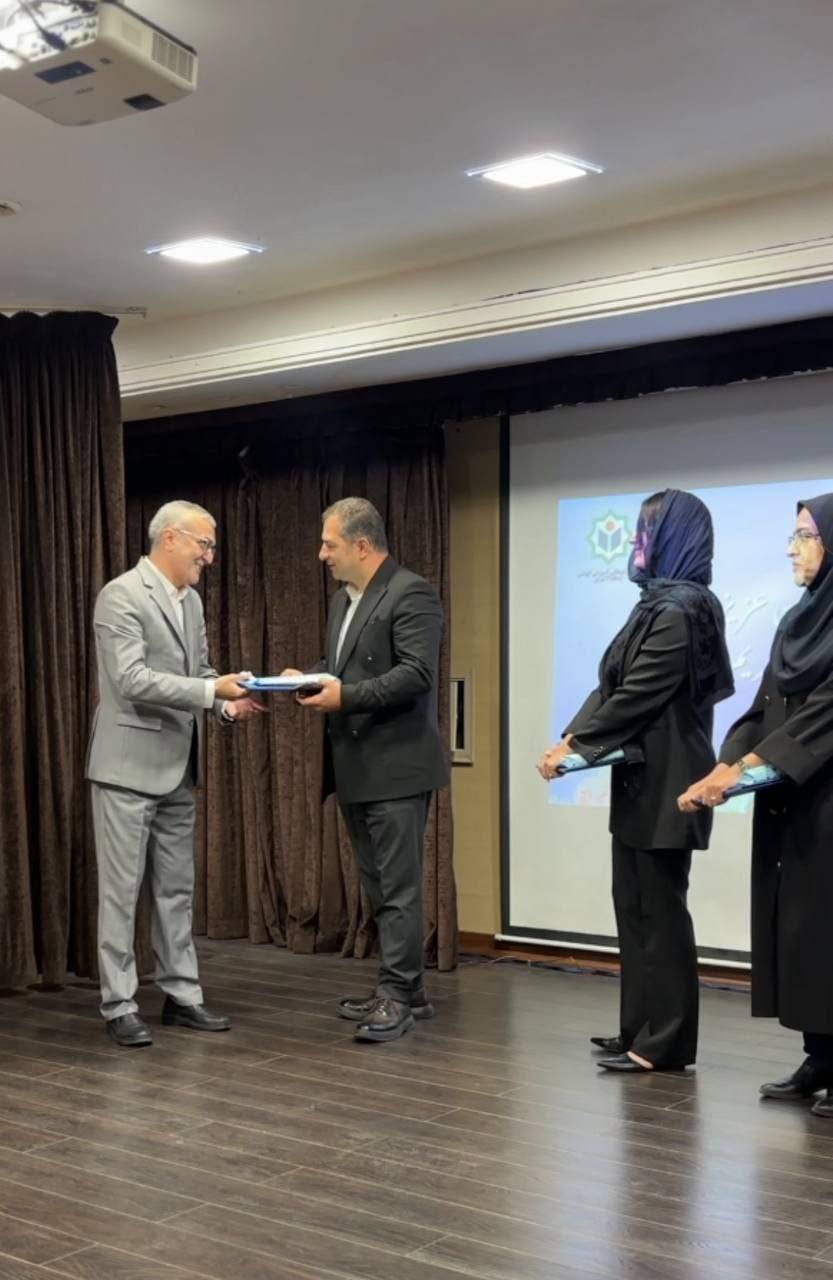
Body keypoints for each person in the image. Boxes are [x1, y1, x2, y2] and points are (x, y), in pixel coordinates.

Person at [539, 490, 733, 1072]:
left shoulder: (683, 611)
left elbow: (638, 694)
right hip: (640, 781)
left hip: (672, 784)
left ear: (673, 538)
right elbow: (609, 685)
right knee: (634, 908)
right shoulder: (654, 604)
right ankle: (638, 1030)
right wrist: (569, 738)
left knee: (661, 914)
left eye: (645, 529)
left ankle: (665, 1042)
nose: (633, 540)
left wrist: (577, 746)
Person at [87, 500, 266, 1047]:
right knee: (121, 893)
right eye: (203, 545)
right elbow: (132, 679)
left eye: (211, 547)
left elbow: (201, 672)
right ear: (169, 538)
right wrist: (211, 691)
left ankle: (182, 996)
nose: (209, 557)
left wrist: (226, 705)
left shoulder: (191, 602)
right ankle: (119, 1004)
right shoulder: (120, 595)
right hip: (125, 770)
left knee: (176, 890)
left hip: (177, 768)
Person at [679, 493, 833, 1114]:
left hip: (827, 801)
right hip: (791, 802)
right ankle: (821, 1056)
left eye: (805, 536)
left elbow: (823, 715)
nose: (792, 550)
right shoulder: (797, 621)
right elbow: (762, 708)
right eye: (793, 537)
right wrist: (724, 764)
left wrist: (743, 769)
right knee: (800, 933)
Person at [284, 497, 448, 1044]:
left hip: (396, 768)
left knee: (398, 887)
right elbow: (340, 670)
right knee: (378, 885)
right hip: (356, 767)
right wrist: (304, 678)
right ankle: (409, 990)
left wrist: (345, 697)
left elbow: (417, 675)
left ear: (361, 544)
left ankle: (396, 996)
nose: (321, 554)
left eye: (329, 544)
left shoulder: (412, 593)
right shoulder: (343, 600)